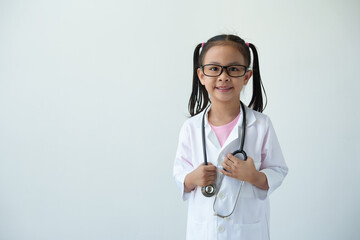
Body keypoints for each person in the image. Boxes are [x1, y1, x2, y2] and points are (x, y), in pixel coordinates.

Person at [173, 34, 288, 240]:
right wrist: (192, 178)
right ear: (201, 76)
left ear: (246, 76)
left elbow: (278, 170)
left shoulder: (261, 125)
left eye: (233, 69)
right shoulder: (190, 128)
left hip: (247, 231)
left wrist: (254, 176)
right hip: (204, 231)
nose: (223, 76)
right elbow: (180, 173)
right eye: (214, 68)